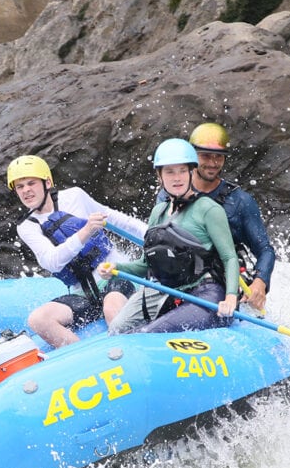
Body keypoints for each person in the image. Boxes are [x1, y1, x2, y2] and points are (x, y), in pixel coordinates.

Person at [8, 154, 147, 348]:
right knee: (38, 320)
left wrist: (153, 235)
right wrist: (85, 231)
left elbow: (116, 220)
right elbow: (52, 261)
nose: (26, 191)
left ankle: (133, 352)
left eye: (31, 183)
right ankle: (90, 360)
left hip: (113, 276)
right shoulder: (27, 226)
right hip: (84, 295)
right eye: (20, 187)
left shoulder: (74, 196)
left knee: (112, 310)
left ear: (47, 182)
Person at [101, 138, 239, 333]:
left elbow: (229, 257)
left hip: (203, 290)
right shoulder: (158, 212)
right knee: (118, 328)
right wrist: (116, 268)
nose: (177, 178)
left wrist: (231, 296)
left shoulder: (208, 209)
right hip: (166, 289)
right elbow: (144, 266)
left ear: (192, 172)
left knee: (149, 333)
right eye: (170, 172)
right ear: (160, 176)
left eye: (182, 171)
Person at [156, 123, 276, 312]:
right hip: (177, 281)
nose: (213, 163)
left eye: (218, 157)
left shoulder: (240, 202)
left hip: (218, 285)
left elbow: (265, 250)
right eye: (205, 156)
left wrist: (260, 282)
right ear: (191, 157)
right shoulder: (168, 193)